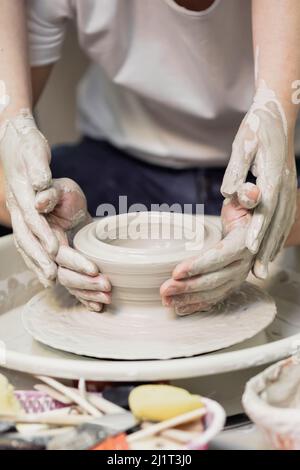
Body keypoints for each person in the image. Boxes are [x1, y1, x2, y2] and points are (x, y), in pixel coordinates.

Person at [0, 0, 299, 315]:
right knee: (33, 212)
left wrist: (272, 226)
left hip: (270, 179)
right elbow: (8, 164)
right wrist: (48, 226)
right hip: (115, 168)